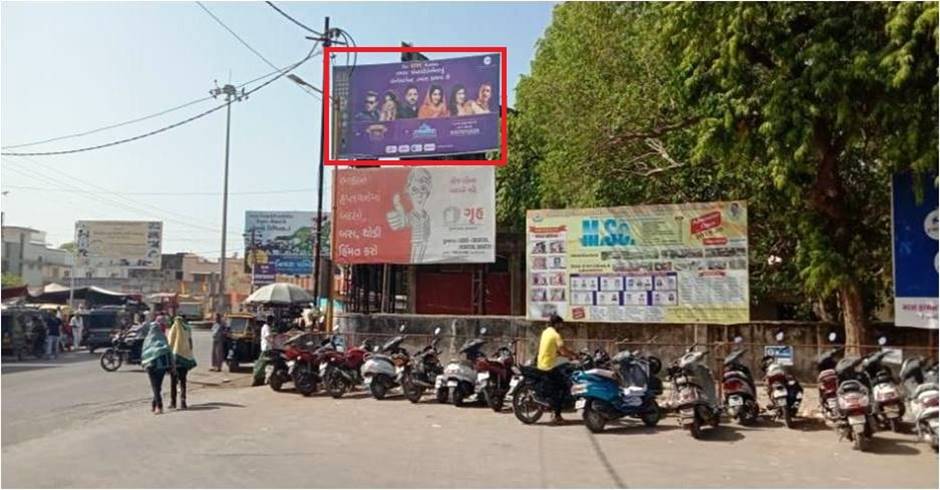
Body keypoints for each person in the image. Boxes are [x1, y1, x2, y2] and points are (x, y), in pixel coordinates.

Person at [537, 314, 577, 425]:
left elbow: (557, 350)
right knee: (563, 387)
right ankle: (557, 415)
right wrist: (573, 356)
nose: (562, 326)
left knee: (563, 369)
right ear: (557, 324)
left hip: (542, 363)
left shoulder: (546, 332)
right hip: (549, 365)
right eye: (561, 324)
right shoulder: (556, 335)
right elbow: (563, 351)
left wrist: (571, 354)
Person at [141, 320, 173, 414]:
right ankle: (154, 404)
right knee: (157, 386)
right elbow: (169, 351)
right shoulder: (163, 338)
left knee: (155, 387)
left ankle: (159, 406)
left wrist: (143, 363)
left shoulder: (148, 339)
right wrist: (172, 365)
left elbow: (144, 353)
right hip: (162, 366)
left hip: (151, 365)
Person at [168, 316, 197, 410]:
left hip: (175, 359)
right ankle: (183, 401)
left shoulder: (173, 329)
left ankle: (173, 402)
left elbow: (170, 343)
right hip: (184, 359)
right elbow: (191, 344)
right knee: (183, 381)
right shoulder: (187, 329)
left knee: (173, 382)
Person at [252, 315, 276, 386]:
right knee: (263, 364)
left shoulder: (265, 327)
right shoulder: (267, 327)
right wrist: (273, 341)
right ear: (270, 321)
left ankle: (263, 378)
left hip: (265, 347)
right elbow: (267, 336)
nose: (272, 323)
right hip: (266, 348)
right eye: (272, 321)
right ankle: (257, 377)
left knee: (265, 364)